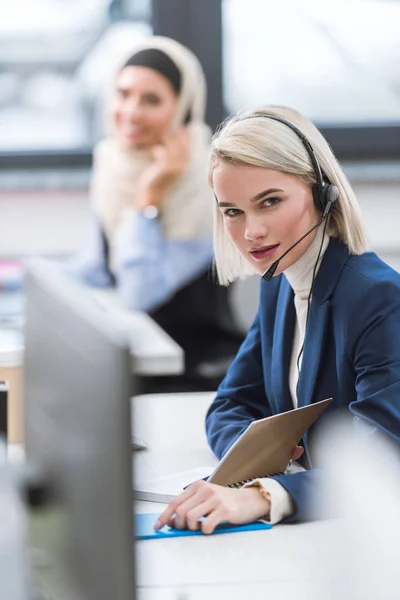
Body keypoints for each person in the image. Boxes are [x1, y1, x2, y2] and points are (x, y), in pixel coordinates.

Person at [154, 104, 400, 534]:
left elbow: (382, 462)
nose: (252, 232)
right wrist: (266, 464)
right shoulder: (280, 281)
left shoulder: (377, 297)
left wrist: (261, 494)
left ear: (324, 195)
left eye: (269, 202)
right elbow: (230, 405)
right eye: (232, 211)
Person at [68, 36, 244, 391]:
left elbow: (138, 292)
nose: (131, 111)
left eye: (151, 100)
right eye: (123, 93)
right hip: (136, 355)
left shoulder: (209, 182)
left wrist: (150, 197)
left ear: (183, 109)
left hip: (192, 375)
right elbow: (99, 268)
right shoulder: (114, 162)